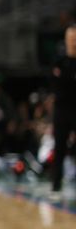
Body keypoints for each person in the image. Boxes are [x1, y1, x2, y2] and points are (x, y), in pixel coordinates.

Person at [50, 24, 76, 199]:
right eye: (71, 37)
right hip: (61, 110)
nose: (73, 40)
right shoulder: (59, 59)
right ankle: (56, 186)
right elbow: (55, 82)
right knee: (59, 147)